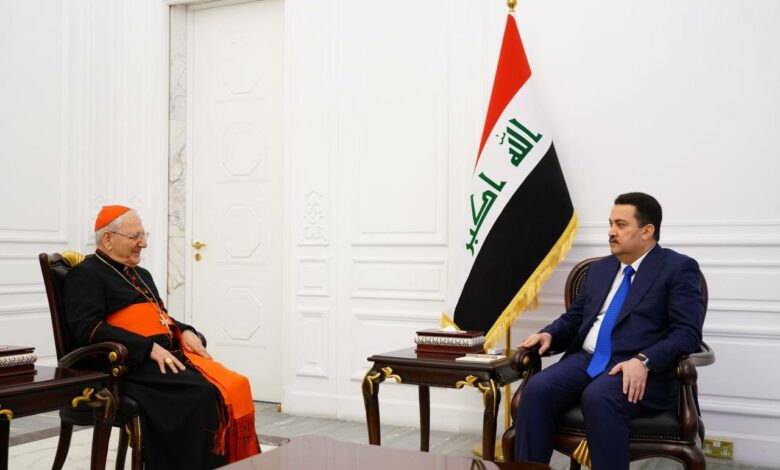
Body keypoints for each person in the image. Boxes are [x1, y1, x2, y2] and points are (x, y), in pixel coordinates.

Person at [514, 192, 705, 469]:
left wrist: (644, 360)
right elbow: (575, 318)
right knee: (537, 389)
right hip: (588, 359)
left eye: (620, 225)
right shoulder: (601, 269)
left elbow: (687, 333)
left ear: (647, 231)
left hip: (637, 367)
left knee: (599, 397)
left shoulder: (678, 268)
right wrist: (550, 334)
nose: (611, 232)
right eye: (610, 224)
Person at [64, 205, 260, 470]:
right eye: (135, 237)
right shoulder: (86, 274)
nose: (143, 243)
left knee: (231, 386)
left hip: (160, 358)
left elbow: (159, 316)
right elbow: (88, 329)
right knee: (201, 393)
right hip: (124, 366)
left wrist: (185, 330)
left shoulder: (141, 274)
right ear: (108, 239)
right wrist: (148, 348)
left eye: (144, 235)